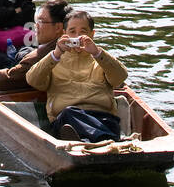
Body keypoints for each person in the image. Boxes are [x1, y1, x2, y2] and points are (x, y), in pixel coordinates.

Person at [25, 8, 128, 143]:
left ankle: (92, 140)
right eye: (72, 32)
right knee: (68, 113)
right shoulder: (54, 60)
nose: (77, 37)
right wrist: (56, 54)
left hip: (103, 119)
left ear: (92, 34)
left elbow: (120, 77)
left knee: (101, 121)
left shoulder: (100, 59)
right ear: (64, 34)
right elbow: (32, 80)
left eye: (83, 32)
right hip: (67, 120)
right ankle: (105, 140)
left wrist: (97, 53)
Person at [0, 0, 70, 94]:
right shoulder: (72, 46)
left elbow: (12, 77)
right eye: (36, 21)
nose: (36, 25)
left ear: (58, 27)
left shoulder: (45, 54)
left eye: (41, 21)